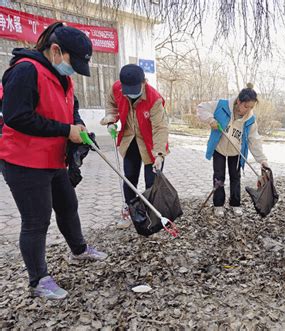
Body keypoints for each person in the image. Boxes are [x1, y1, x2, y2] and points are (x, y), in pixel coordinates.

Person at [0, 22, 107, 300]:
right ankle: (38, 279)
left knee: (68, 205)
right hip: (23, 161)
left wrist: (79, 126)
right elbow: (16, 116)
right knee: (36, 220)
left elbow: (72, 109)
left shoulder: (63, 77)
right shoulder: (25, 71)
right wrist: (64, 131)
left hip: (53, 159)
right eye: (73, 63)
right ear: (56, 50)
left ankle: (79, 249)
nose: (73, 71)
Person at [100, 64, 169, 228]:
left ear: (144, 82)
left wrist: (159, 154)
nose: (131, 94)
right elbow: (111, 103)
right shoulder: (117, 88)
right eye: (127, 90)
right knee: (129, 177)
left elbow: (160, 127)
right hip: (130, 139)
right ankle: (130, 212)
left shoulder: (154, 99)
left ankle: (151, 215)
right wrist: (110, 118)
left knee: (152, 181)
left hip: (151, 143)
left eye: (135, 89)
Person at [197, 83, 269, 217]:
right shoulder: (222, 105)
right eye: (245, 106)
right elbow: (201, 108)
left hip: (236, 151)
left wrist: (262, 160)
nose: (247, 110)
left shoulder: (250, 120)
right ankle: (218, 204)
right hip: (219, 148)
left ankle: (235, 204)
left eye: (251, 107)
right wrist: (211, 120)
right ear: (239, 101)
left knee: (235, 177)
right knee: (219, 177)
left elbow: (254, 140)